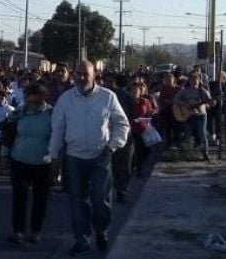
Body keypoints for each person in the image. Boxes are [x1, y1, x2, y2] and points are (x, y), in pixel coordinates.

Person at [48, 61, 130, 256]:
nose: (82, 78)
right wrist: (54, 156)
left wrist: (112, 146)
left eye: (86, 74)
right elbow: (57, 129)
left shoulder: (107, 97)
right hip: (74, 157)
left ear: (95, 75)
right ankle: (82, 239)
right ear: (73, 75)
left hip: (100, 155)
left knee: (100, 199)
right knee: (78, 200)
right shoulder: (65, 99)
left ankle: (101, 231)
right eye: (78, 74)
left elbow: (122, 124)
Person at [0, 82, 54, 245]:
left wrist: (59, 163)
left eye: (35, 98)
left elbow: (58, 138)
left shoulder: (52, 113)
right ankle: (18, 231)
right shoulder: (19, 113)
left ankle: (36, 231)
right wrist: (4, 156)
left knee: (40, 199)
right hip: (20, 160)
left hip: (43, 162)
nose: (31, 101)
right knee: (19, 198)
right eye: (28, 97)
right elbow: (7, 135)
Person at [173, 71, 212, 161]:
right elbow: (175, 99)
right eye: (191, 79)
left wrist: (211, 103)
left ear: (199, 80)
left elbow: (209, 103)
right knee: (187, 133)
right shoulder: (184, 91)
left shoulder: (203, 91)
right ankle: (186, 151)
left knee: (202, 133)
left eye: (195, 79)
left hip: (201, 115)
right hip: (188, 115)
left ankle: (205, 152)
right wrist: (185, 105)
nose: (193, 81)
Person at [111, 74, 135, 203]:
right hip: (124, 133)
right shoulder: (127, 96)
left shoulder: (107, 96)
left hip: (115, 133)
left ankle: (118, 189)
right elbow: (132, 114)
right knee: (124, 164)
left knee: (116, 164)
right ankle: (121, 190)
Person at [128, 81, 156, 177]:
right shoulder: (127, 102)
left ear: (140, 92)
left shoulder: (145, 101)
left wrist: (151, 114)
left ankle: (137, 165)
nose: (134, 92)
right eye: (132, 90)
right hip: (132, 129)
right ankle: (137, 169)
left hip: (144, 128)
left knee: (148, 150)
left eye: (136, 90)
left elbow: (150, 112)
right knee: (136, 150)